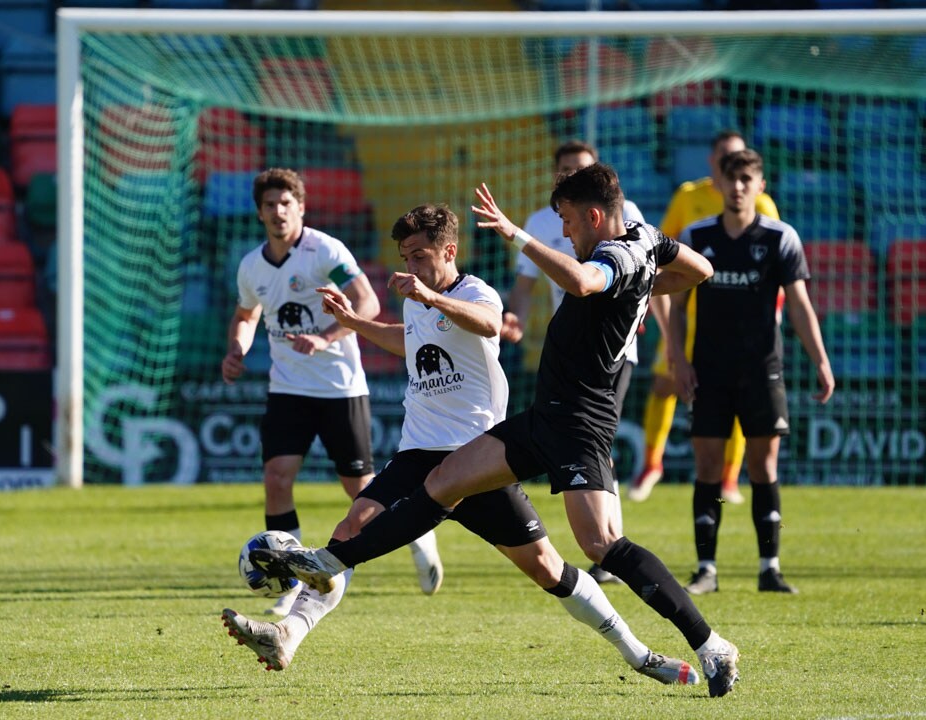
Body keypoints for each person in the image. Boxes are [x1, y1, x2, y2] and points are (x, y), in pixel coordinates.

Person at [253, 165, 744, 698]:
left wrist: (519, 235)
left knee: (600, 544)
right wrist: (646, 286)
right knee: (443, 481)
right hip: (541, 416)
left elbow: (580, 283)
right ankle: (328, 562)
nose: (566, 234)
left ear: (596, 216)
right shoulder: (647, 242)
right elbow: (701, 270)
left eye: (568, 223)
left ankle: (710, 643)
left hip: (583, 421)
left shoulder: (617, 255)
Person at [221, 168, 443, 615]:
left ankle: (418, 533)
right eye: (270, 205)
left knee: (359, 486)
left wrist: (323, 337)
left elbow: (368, 303)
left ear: (301, 208)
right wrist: (237, 350)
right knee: (277, 478)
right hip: (286, 389)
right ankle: (288, 579)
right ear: (260, 212)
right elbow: (246, 315)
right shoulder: (251, 266)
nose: (278, 211)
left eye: (287, 204)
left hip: (339, 388)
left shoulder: (324, 249)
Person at [670, 149, 834, 595]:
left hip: (763, 370)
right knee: (707, 466)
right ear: (718, 185)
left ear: (760, 187)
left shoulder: (781, 238)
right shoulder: (696, 236)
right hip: (709, 371)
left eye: (747, 179)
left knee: (763, 465)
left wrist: (820, 359)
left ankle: (769, 568)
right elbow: (676, 304)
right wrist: (676, 359)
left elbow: (799, 305)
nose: (738, 186)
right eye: (731, 178)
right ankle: (706, 570)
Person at [503, 139, 648, 585]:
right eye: (564, 169)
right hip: (568, 346)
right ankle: (608, 548)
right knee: (580, 443)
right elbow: (525, 287)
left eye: (579, 170)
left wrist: (645, 314)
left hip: (613, 350)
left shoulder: (630, 218)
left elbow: (648, 268)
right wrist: (517, 320)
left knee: (594, 442)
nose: (570, 176)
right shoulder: (542, 220)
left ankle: (610, 549)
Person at [629, 130, 782, 505]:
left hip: (737, 320)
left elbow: (777, 269)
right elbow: (662, 246)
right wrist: (650, 295)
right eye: (725, 157)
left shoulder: (762, 204)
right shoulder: (689, 196)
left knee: (738, 397)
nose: (732, 165)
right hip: (687, 310)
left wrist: (774, 313)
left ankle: (730, 479)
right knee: (666, 383)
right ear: (712, 161)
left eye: (739, 157)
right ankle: (652, 464)